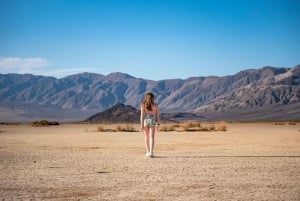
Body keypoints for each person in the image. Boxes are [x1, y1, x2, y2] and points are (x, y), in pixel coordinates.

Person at [140, 92, 160, 158]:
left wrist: (141, 125)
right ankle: (151, 152)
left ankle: (148, 152)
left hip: (146, 120)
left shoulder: (143, 105)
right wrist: (158, 123)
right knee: (152, 137)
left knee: (146, 137)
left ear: (146, 97)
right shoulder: (155, 105)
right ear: (152, 98)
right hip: (152, 120)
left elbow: (142, 116)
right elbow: (157, 115)